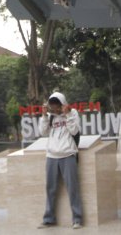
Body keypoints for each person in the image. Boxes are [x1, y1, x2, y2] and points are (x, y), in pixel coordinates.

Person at [38, 91, 82, 229]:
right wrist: (44, 116)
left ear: (62, 103)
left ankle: (77, 219)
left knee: (72, 188)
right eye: (52, 106)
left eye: (57, 105)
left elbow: (74, 131)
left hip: (68, 154)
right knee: (50, 188)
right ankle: (49, 219)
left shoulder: (73, 113)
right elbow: (42, 132)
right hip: (51, 156)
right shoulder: (50, 117)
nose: (55, 109)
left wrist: (67, 114)